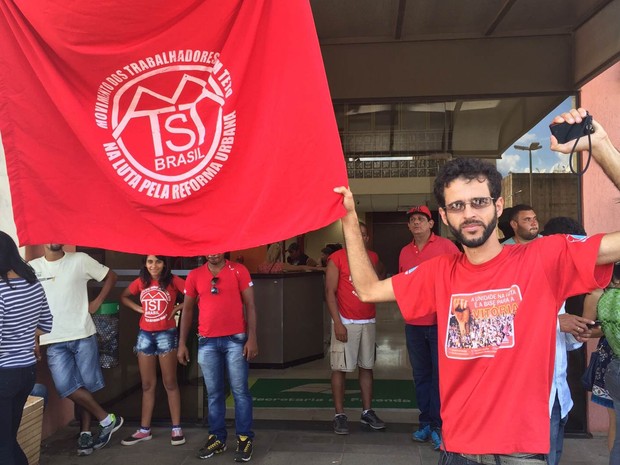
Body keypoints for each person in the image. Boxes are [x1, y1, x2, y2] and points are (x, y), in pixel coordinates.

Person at [333, 107, 620, 463]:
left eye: (479, 202)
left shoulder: (543, 258)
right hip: (458, 451)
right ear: (444, 216)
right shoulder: (440, 271)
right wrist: (348, 217)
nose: (469, 213)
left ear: (498, 205)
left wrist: (601, 144)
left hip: (520, 453)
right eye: (457, 205)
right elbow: (368, 289)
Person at [29, 244, 122, 456]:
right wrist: (34, 336)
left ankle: (85, 434)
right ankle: (107, 419)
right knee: (67, 387)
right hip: (52, 339)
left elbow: (111, 276)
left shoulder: (80, 259)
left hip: (82, 333)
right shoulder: (33, 267)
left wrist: (97, 302)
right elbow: (30, 303)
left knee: (85, 386)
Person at [177, 253, 258, 462]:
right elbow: (187, 310)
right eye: (209, 249)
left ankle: (244, 438)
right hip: (207, 342)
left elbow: (250, 305)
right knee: (213, 393)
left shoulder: (239, 270)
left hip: (236, 340)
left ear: (225, 249)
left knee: (240, 391)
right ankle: (217, 437)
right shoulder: (195, 275)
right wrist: (182, 343)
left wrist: (252, 338)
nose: (213, 253)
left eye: (218, 248)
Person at [398, 205, 459, 449]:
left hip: (440, 323)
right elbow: (402, 282)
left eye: (421, 219)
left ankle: (439, 425)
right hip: (414, 324)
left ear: (431, 223)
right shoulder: (404, 252)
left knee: (440, 376)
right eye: (412, 220)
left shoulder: (446, 247)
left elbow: (461, 275)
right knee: (421, 375)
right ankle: (426, 422)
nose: (416, 223)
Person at [540, 216, 594, 465]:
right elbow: (507, 326)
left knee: (555, 456)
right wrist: (556, 322)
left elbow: (562, 339)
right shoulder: (527, 276)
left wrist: (575, 334)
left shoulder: (561, 279)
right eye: (574, 250)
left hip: (559, 395)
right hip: (536, 398)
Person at [326, 222, 386, 435]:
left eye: (362, 234)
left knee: (367, 366)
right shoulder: (337, 259)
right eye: (354, 234)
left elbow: (378, 282)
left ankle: (367, 411)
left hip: (367, 320)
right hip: (346, 321)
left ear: (367, 238)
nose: (359, 238)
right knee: (340, 368)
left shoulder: (373, 257)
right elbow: (330, 292)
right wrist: (338, 323)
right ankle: (340, 415)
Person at [120, 255, 185, 446]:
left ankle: (176, 428)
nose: (154, 265)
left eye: (158, 261)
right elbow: (124, 296)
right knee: (147, 385)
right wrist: (138, 309)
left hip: (167, 334)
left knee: (170, 382)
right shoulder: (141, 281)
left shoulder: (172, 280)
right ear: (145, 264)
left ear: (165, 263)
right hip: (145, 336)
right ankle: (144, 429)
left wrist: (178, 308)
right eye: (150, 262)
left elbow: (194, 295)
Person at [0, 231, 53, 465]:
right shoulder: (32, 284)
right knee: (7, 440)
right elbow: (46, 323)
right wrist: (24, 337)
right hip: (26, 372)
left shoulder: (1, 289)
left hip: (4, 373)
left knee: (4, 445)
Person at [590, 263, 620, 465]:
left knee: (616, 426)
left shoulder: (601, 296)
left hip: (611, 364)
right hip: (611, 362)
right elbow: (589, 328)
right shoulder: (605, 296)